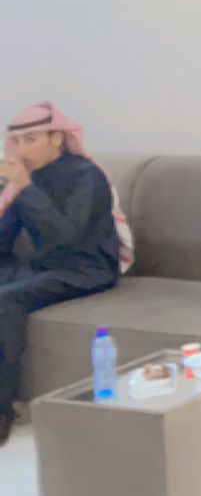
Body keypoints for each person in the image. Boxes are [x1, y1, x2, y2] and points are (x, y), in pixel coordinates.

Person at [0, 102, 122, 445]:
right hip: (43, 266)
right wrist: (9, 192)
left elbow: (66, 237)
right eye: (18, 142)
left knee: (6, 302)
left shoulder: (87, 176)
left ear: (56, 137)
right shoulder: (26, 178)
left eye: (31, 140)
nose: (23, 150)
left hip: (86, 268)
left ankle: (2, 412)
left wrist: (25, 188)